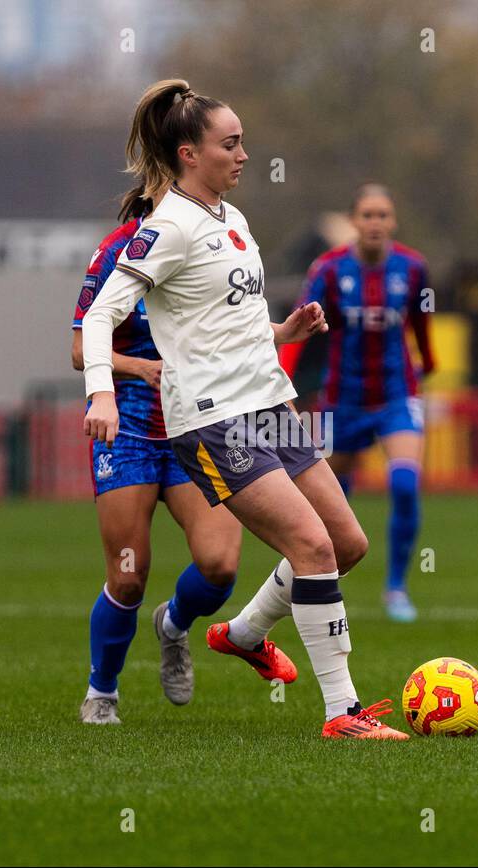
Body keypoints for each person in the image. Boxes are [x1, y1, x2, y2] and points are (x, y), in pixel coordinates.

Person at [82, 79, 408, 740]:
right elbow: (97, 320)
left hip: (268, 406)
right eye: (230, 144)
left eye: (243, 142)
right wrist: (101, 392)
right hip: (211, 421)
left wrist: (283, 332)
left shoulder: (231, 220)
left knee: (346, 544)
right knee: (311, 546)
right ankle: (343, 713)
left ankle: (244, 631)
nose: (244, 154)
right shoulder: (165, 228)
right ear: (188, 154)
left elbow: (225, 319)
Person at [69, 184, 247, 725]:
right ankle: (102, 692)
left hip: (200, 426)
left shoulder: (217, 245)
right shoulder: (117, 250)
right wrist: (136, 368)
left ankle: (173, 623)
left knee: (219, 566)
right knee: (128, 574)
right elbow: (80, 349)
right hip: (130, 431)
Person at [280, 184, 435, 622]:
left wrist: (430, 362)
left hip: (396, 394)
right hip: (340, 400)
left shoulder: (412, 267)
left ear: (393, 222)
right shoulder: (328, 270)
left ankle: (396, 589)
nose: (375, 223)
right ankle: (324, 583)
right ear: (353, 221)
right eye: (367, 214)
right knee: (332, 502)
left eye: (382, 215)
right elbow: (298, 326)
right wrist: (282, 379)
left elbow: (421, 323)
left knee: (404, 484)